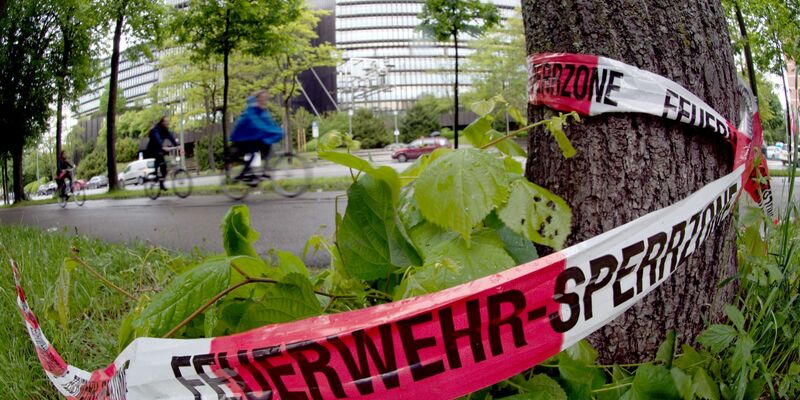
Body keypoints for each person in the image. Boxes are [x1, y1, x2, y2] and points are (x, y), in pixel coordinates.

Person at [229, 90, 284, 179]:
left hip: (252, 137)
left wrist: (279, 130)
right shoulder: (251, 109)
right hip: (241, 138)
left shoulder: (262, 110)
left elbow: (270, 123)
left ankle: (263, 172)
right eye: (262, 98)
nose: (264, 100)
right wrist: (273, 131)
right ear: (258, 98)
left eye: (266, 98)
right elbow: (259, 125)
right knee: (253, 153)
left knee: (267, 147)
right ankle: (242, 175)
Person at [146, 117, 180, 190]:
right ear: (162, 122)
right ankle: (155, 176)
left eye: (168, 121)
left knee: (164, 168)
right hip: (152, 149)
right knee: (160, 160)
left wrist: (177, 145)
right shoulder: (156, 129)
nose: (168, 122)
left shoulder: (165, 130)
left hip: (159, 149)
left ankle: (161, 182)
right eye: (166, 121)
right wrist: (163, 147)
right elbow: (158, 139)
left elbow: (171, 138)